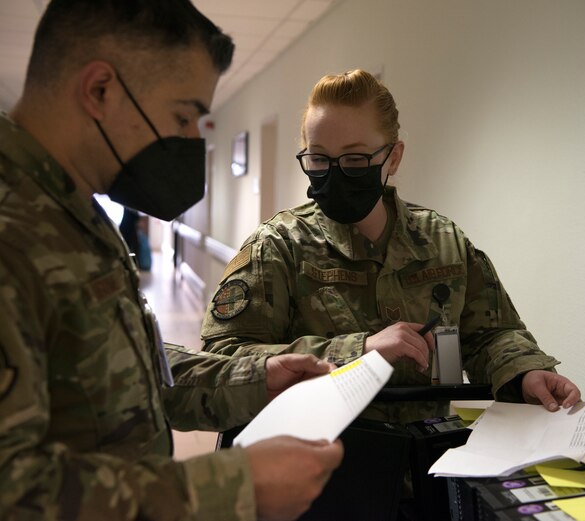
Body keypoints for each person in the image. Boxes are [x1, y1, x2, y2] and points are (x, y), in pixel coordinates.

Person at [0, 2, 342, 520]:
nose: (188, 141)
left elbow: (131, 372)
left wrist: (256, 378)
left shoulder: (73, 216)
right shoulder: (12, 229)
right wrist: (230, 487)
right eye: (182, 116)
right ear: (100, 91)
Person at [200, 69, 581, 426]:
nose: (334, 173)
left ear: (393, 158)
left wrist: (526, 371)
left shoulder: (443, 241)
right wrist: (359, 351)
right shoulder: (278, 247)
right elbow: (222, 365)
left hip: (431, 463)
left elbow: (491, 334)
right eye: (318, 158)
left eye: (354, 158)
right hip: (321, 470)